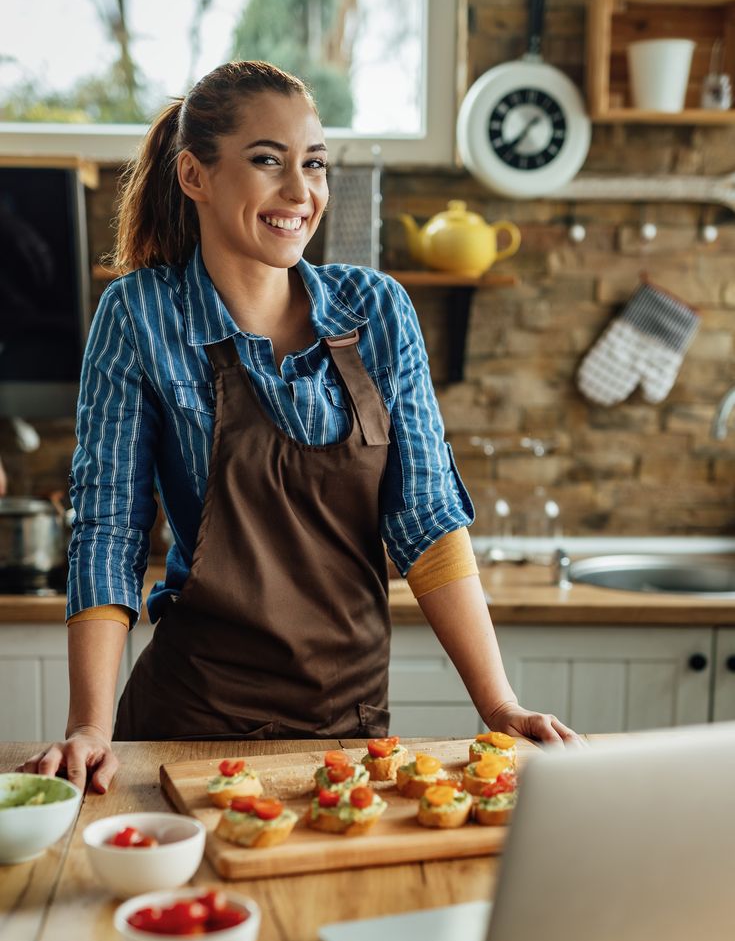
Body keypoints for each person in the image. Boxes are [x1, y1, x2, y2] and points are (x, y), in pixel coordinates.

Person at [22, 60, 581, 793]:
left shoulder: (375, 310)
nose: (299, 192)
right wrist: (89, 726)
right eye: (267, 161)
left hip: (348, 730)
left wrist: (497, 702)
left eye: (314, 164)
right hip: (186, 726)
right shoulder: (141, 315)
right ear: (194, 175)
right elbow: (108, 532)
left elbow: (428, 523)